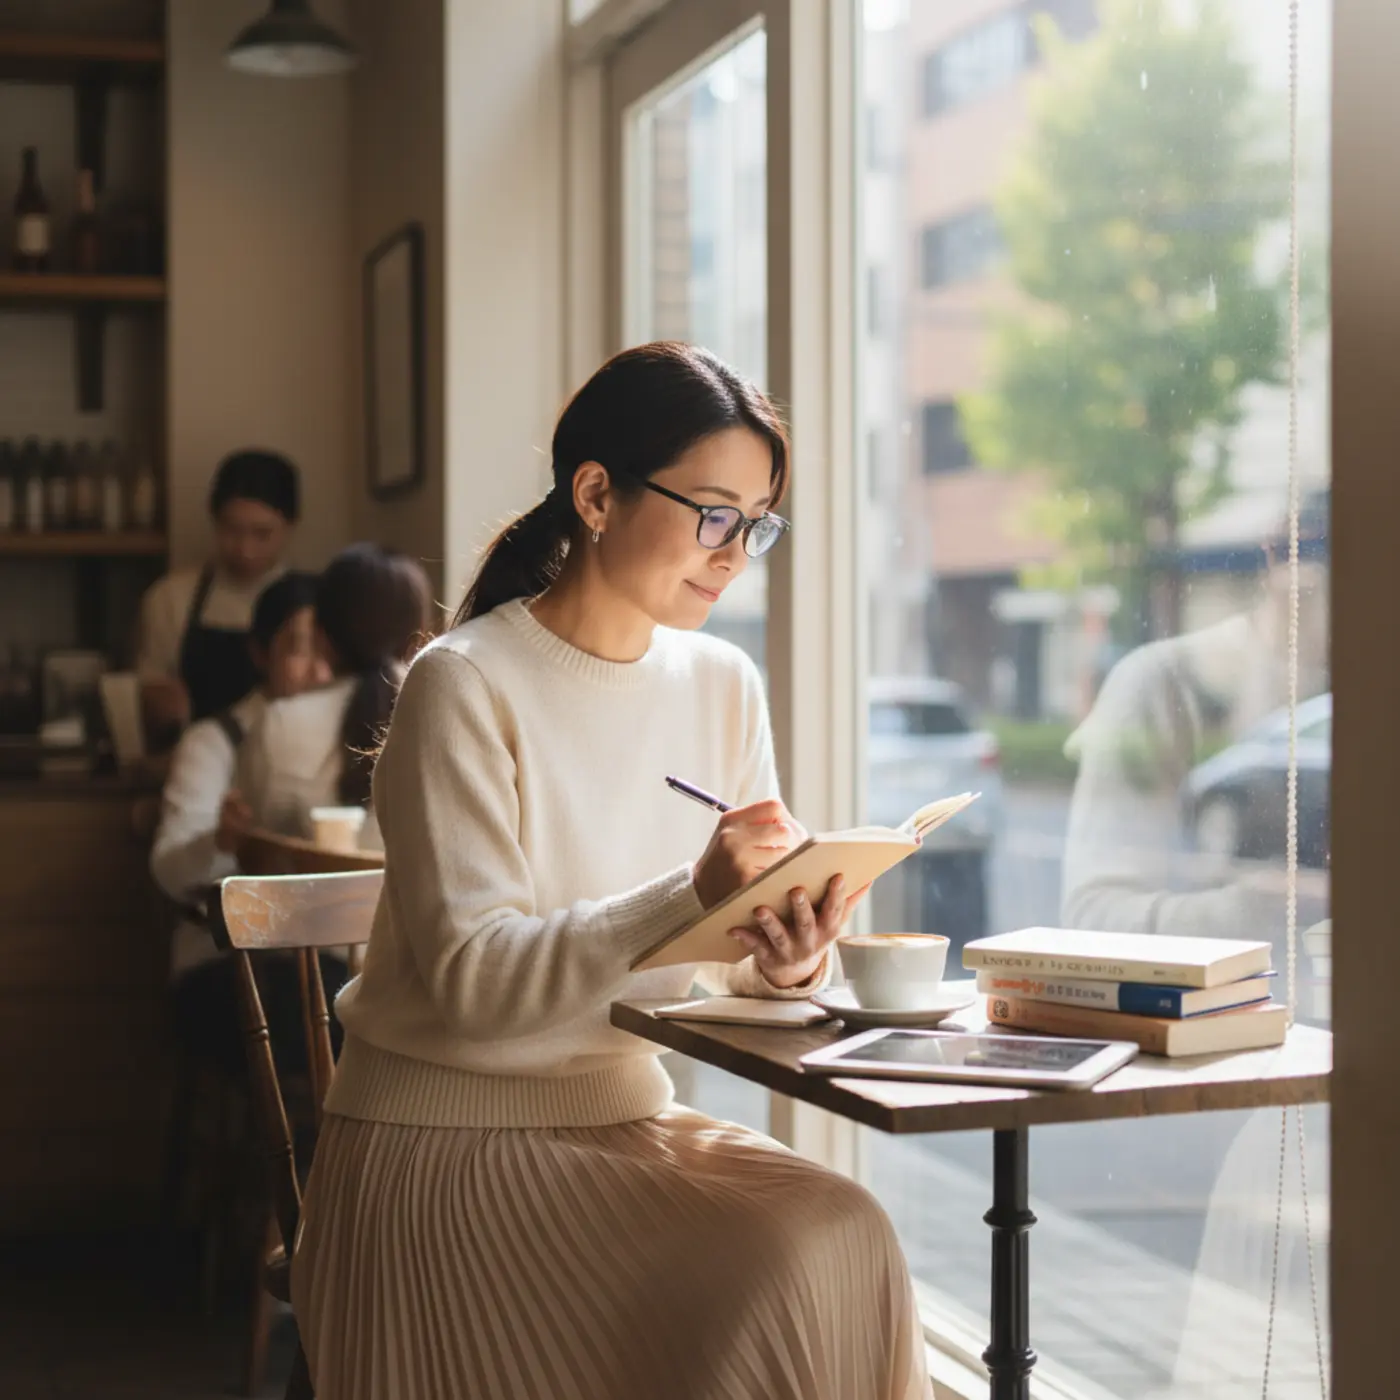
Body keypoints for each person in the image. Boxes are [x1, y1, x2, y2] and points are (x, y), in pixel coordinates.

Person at [291, 343, 931, 1400]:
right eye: (713, 514)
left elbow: (717, 959)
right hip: (440, 1144)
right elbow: (476, 984)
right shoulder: (463, 682)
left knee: (845, 1233)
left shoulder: (722, 680)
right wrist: (693, 891)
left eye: (757, 523)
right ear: (595, 495)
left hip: (625, 1121)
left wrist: (786, 955)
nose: (734, 555)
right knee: (780, 1266)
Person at [150, 570, 329, 1075]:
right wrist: (221, 841)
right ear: (259, 653)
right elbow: (168, 869)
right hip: (224, 962)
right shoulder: (214, 742)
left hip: (324, 958)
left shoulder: (347, 743)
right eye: (299, 649)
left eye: (328, 651)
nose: (318, 671)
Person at [236, 543, 435, 847]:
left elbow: (258, 844)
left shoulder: (279, 723)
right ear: (420, 633)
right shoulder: (445, 713)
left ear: (320, 635)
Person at [136, 448, 300, 734]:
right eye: (232, 530)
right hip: (192, 752)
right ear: (214, 520)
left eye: (262, 534)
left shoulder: (308, 603)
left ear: (290, 527)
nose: (245, 549)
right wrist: (160, 701)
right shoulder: (170, 597)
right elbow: (147, 684)